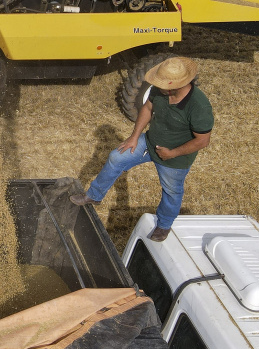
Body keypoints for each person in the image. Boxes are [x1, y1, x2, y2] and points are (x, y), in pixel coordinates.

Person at [70, 57, 213, 242]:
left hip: (175, 158)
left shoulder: (199, 106)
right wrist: (134, 137)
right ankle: (94, 196)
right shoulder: (159, 91)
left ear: (175, 86)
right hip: (149, 142)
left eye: (162, 83)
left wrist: (172, 153)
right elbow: (147, 107)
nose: (157, 85)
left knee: (171, 192)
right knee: (116, 157)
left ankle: (164, 225)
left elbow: (202, 141)